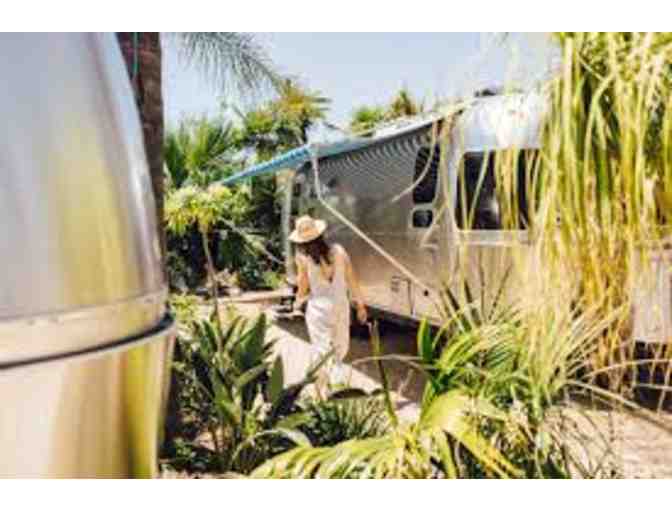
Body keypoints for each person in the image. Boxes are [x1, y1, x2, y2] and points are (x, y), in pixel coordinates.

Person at [289, 215, 367, 393]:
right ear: (320, 235)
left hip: (318, 310)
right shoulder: (339, 251)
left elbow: (303, 286)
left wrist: (297, 303)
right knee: (338, 351)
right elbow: (352, 279)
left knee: (323, 352)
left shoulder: (302, 258)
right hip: (341, 306)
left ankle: (331, 390)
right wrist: (361, 306)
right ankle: (323, 391)